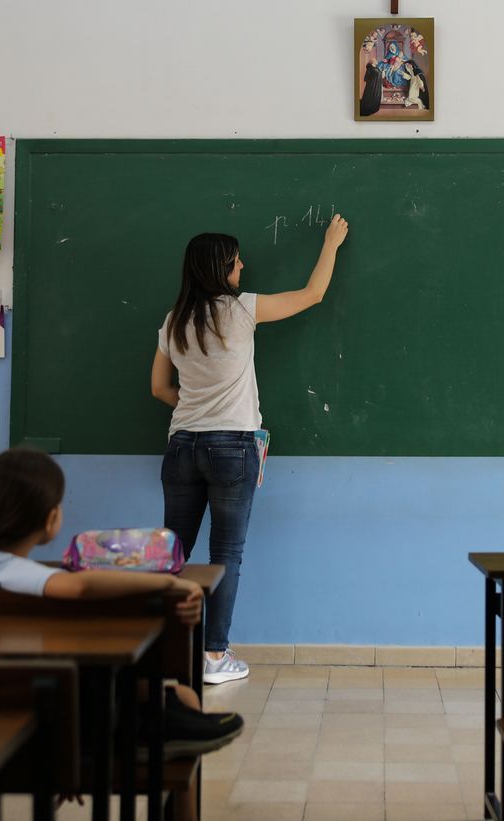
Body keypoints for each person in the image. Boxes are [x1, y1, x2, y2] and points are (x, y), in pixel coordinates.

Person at [0, 447, 242, 821]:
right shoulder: (11, 573)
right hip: (38, 718)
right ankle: (139, 736)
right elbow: (81, 588)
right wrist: (166, 587)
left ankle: (150, 730)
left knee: (175, 696)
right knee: (176, 697)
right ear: (52, 518)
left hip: (4, 704)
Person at [151, 215, 350, 684]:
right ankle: (215, 657)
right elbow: (312, 295)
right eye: (237, 259)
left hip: (182, 445)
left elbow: (160, 388)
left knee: (172, 553)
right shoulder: (241, 310)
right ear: (220, 267)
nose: (244, 264)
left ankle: (165, 649)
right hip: (232, 446)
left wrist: (197, 407)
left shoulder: (173, 320)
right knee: (226, 554)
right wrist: (331, 243)